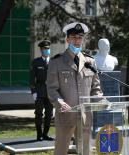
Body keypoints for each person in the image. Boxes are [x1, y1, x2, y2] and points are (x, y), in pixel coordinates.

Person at [47, 22, 103, 155]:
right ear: (67, 40)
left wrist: (100, 99)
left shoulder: (90, 62)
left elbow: (95, 88)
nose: (77, 41)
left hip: (85, 116)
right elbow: (51, 89)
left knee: (85, 151)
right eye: (73, 38)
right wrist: (60, 102)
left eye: (80, 38)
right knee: (61, 150)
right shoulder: (56, 62)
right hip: (66, 115)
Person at [30, 40, 54, 141]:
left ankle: (45, 134)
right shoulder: (36, 62)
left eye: (48, 49)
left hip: (51, 92)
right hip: (39, 92)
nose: (46, 50)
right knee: (38, 113)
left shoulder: (54, 62)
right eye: (45, 49)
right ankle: (39, 134)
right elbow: (31, 78)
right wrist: (34, 92)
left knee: (49, 113)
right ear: (41, 50)